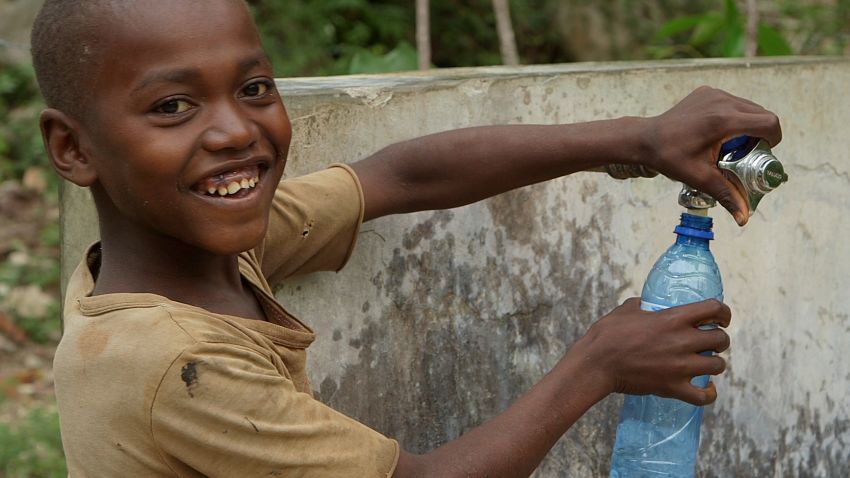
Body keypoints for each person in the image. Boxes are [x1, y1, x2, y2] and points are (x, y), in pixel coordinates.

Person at [31, 1, 781, 477]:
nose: (235, 130)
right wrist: (596, 366)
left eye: (254, 88)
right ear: (72, 149)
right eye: (172, 105)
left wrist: (640, 139)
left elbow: (400, 178)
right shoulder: (170, 364)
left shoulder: (208, 255)